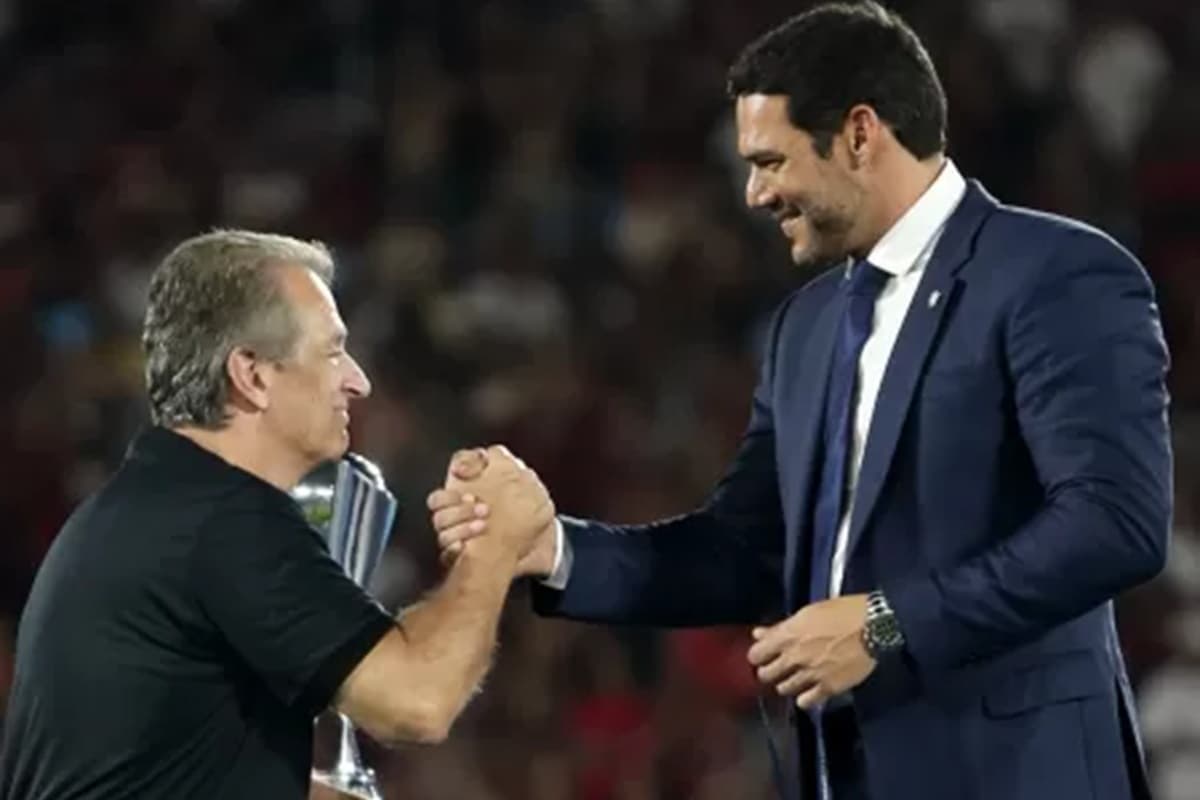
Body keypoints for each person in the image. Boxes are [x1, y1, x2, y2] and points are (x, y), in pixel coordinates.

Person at [429, 3, 1172, 799]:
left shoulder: (1053, 273)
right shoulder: (807, 327)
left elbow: (1113, 524)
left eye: (770, 161)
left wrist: (884, 622)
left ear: (860, 134)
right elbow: (744, 550)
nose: (754, 193)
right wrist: (554, 548)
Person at [0, 230, 552, 800]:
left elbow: (180, 771)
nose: (357, 381)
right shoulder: (226, 521)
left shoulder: (140, 511)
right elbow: (417, 702)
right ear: (253, 375)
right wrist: (493, 543)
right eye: (332, 351)